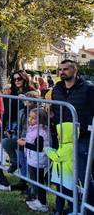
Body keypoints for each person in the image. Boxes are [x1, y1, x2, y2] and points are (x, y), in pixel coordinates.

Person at [51, 59, 94, 211]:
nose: (62, 72)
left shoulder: (88, 89)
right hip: (62, 138)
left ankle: (88, 209)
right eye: (60, 69)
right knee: (64, 175)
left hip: (83, 138)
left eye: (66, 69)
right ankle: (69, 206)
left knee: (83, 175)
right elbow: (55, 110)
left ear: (75, 71)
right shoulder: (56, 89)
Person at [18, 108, 49, 212]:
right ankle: (38, 199)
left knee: (39, 181)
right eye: (29, 117)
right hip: (33, 159)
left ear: (41, 120)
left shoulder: (41, 132)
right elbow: (33, 141)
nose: (30, 120)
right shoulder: (34, 129)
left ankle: (43, 203)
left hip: (38, 160)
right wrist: (26, 140)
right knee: (35, 180)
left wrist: (25, 144)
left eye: (33, 118)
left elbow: (38, 147)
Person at [44, 122, 75, 215]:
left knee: (70, 197)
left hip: (67, 179)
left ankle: (72, 211)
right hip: (61, 178)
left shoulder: (69, 147)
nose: (57, 136)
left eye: (59, 134)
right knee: (59, 196)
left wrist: (47, 150)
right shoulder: (65, 145)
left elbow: (57, 156)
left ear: (66, 135)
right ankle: (59, 211)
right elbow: (59, 153)